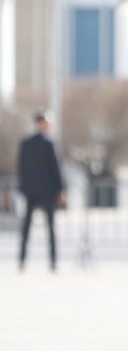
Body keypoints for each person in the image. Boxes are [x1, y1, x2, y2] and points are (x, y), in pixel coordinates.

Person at [18, 112, 65, 272]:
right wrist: (60, 189)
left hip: (32, 190)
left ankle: (24, 260)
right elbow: (55, 169)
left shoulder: (27, 143)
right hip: (46, 191)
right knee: (47, 227)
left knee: (30, 227)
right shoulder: (48, 143)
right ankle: (51, 262)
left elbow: (21, 169)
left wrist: (23, 188)